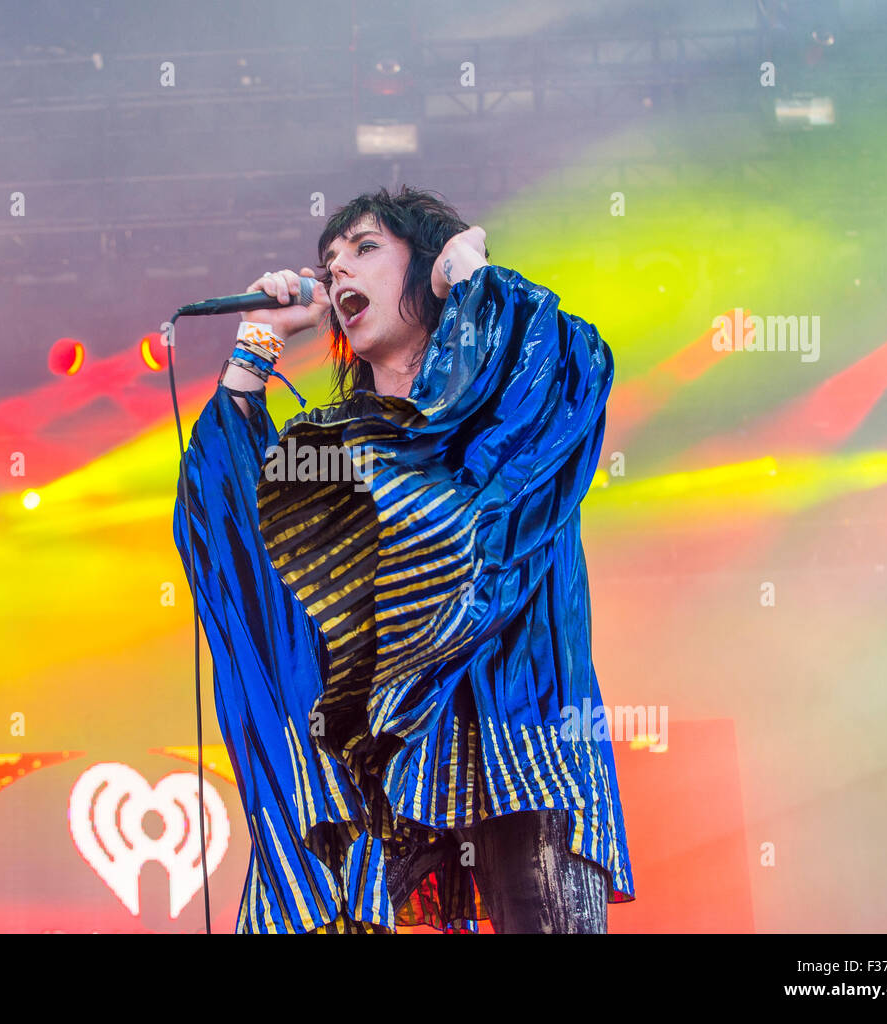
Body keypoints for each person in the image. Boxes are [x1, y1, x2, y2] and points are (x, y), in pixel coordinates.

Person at [173, 185, 635, 933]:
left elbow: (561, 378)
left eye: (364, 248)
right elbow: (230, 541)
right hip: (382, 754)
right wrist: (256, 347)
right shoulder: (341, 450)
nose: (338, 271)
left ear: (426, 267)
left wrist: (477, 284)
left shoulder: (513, 390)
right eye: (329, 260)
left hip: (518, 728)